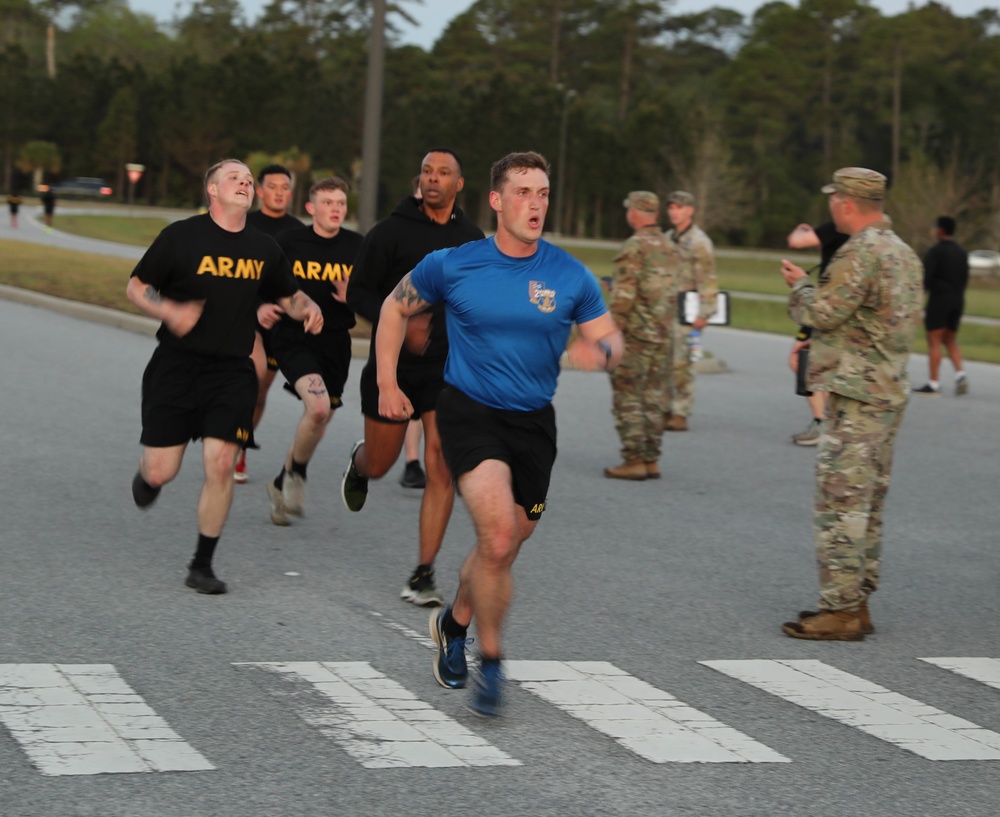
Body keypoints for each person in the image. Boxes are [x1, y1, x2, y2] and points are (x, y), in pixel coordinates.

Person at [376, 151, 623, 716]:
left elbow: (610, 338)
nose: (535, 204)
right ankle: (490, 661)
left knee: (507, 543)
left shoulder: (569, 274)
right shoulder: (453, 264)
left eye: (543, 193)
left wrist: (602, 352)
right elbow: (393, 308)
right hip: (469, 411)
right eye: (523, 192)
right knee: (498, 538)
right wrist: (388, 382)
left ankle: (454, 622)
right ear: (496, 200)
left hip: (533, 421)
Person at [126, 159, 323, 594]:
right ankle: (148, 475)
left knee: (220, 463)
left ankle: (201, 565)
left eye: (248, 180)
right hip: (176, 367)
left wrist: (307, 307)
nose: (245, 183)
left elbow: (288, 294)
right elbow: (136, 286)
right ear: (212, 190)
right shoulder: (181, 236)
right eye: (234, 177)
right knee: (161, 470)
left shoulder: (264, 248)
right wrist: (169, 310)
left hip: (232, 370)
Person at [778, 167, 922, 641]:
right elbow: (880, 322)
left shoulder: (859, 253)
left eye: (833, 200)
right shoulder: (903, 253)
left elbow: (823, 312)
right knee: (868, 501)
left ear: (845, 203)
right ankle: (857, 601)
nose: (831, 208)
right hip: (887, 389)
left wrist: (800, 285)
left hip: (857, 393)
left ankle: (840, 611)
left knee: (841, 501)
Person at [343, 148, 485, 607]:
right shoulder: (389, 233)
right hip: (394, 367)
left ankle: (423, 572)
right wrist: (402, 324)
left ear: (458, 184)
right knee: (380, 464)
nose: (432, 179)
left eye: (443, 173)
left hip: (447, 370)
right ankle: (361, 462)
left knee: (441, 464)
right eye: (426, 171)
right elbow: (359, 293)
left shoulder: (471, 239)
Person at [265, 177, 363, 525]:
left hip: (336, 343)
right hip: (294, 337)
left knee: (319, 418)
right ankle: (297, 476)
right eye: (328, 203)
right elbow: (264, 281)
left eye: (341, 203)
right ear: (311, 208)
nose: (336, 209)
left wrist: (354, 296)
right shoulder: (290, 241)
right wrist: (261, 307)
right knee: (318, 407)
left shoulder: (358, 246)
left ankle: (281, 482)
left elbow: (377, 301)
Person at [237, 165, 306, 484]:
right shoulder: (244, 224)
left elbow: (298, 282)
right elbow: (234, 277)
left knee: (261, 390)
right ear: (260, 192)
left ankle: (240, 443)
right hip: (244, 316)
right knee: (251, 377)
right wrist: (257, 307)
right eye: (272, 187)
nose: (279, 193)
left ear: (291, 194)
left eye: (285, 187)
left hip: (280, 323)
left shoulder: (298, 232)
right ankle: (233, 444)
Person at [604, 191, 678, 480]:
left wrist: (611, 332)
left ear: (634, 213)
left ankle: (634, 458)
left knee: (629, 395)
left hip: (636, 335)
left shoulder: (635, 245)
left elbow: (625, 296)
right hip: (663, 334)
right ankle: (650, 458)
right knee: (654, 396)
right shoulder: (669, 246)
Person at [785, 222, 848, 446]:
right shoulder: (864, 234)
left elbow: (796, 242)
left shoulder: (837, 227)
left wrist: (801, 229)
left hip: (825, 305)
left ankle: (823, 422)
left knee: (802, 360)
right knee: (820, 363)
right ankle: (831, 421)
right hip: (841, 304)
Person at [664, 191, 717, 431]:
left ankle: (681, 411)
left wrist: (705, 312)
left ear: (690, 210)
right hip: (666, 309)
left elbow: (708, 278)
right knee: (664, 362)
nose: (675, 212)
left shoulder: (699, 241)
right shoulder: (667, 238)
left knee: (682, 362)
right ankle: (666, 407)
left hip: (688, 309)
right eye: (671, 208)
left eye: (680, 208)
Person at [914, 216, 970, 396]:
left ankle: (933, 383)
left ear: (940, 230)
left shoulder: (935, 252)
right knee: (950, 339)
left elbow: (926, 279)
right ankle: (960, 374)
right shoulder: (962, 252)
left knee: (934, 340)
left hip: (939, 300)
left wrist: (917, 300)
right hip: (958, 300)